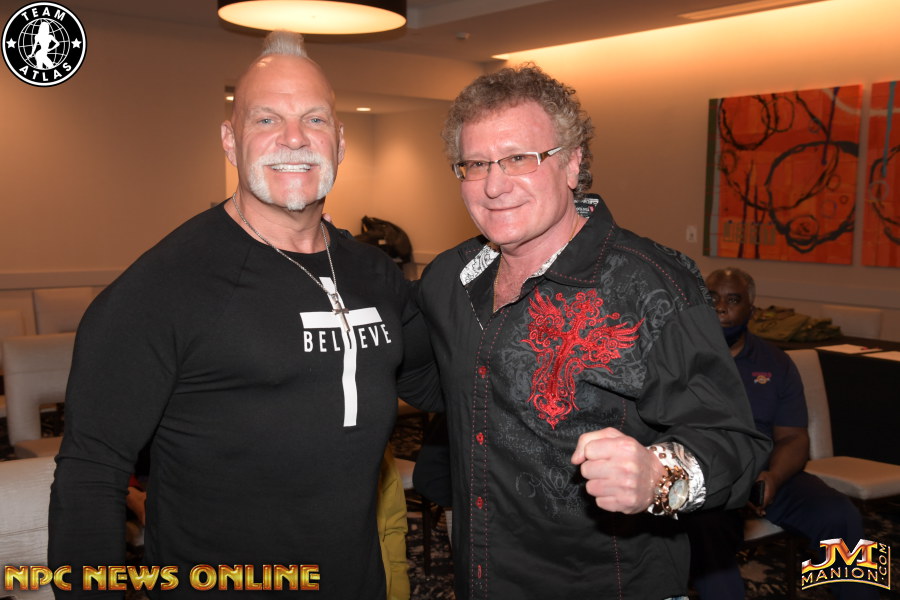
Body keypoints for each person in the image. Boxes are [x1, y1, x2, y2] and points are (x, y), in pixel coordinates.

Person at [49, 31, 440, 598]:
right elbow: (89, 477)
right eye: (266, 120)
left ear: (340, 141)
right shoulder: (160, 288)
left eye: (314, 119)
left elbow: (437, 380)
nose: (294, 138)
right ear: (230, 142)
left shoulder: (373, 273)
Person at [415, 64, 771, 599]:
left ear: (572, 163)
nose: (493, 185)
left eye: (519, 158)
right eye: (476, 164)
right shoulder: (450, 277)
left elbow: (734, 443)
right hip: (483, 580)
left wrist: (658, 476)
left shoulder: (651, 285)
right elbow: (429, 379)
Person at [686, 267, 875, 600]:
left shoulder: (776, 362)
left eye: (733, 300)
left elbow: (793, 437)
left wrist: (773, 477)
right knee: (707, 531)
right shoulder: (680, 357)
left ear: (752, 311)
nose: (721, 307)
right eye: (712, 298)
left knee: (840, 514)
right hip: (707, 479)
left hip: (767, 475)